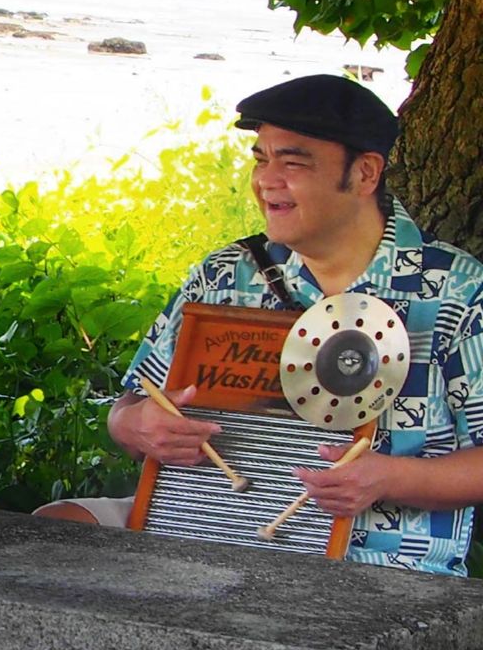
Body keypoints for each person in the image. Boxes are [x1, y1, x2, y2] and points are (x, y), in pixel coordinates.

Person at [40, 74, 483, 575]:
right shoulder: (227, 274)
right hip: (205, 530)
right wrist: (137, 425)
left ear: (364, 173)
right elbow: (128, 410)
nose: (267, 180)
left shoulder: (455, 292)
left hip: (375, 560)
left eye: (292, 162)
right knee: (51, 534)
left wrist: (389, 479)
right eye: (261, 159)